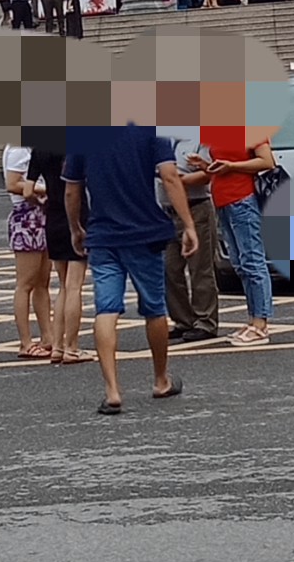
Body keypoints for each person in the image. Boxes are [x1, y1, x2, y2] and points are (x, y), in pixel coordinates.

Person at [64, 125, 197, 414]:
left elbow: (72, 189)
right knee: (154, 308)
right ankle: (161, 380)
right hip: (145, 232)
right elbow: (170, 176)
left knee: (106, 309)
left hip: (103, 235)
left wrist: (75, 228)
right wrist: (188, 225)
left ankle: (112, 390)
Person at [193, 129, 275, 345]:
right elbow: (220, 168)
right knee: (240, 264)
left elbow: (267, 161)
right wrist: (205, 166)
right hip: (224, 201)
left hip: (243, 199)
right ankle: (253, 319)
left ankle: (260, 324)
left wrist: (232, 166)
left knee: (252, 261)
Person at [27, 148, 88, 364]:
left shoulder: (39, 150)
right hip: (76, 217)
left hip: (53, 218)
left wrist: (41, 202)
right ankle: (72, 348)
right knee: (74, 286)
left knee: (63, 285)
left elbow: (27, 191)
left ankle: (58, 347)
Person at [160, 134, 219, 343]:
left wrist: (177, 181)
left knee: (200, 268)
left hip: (196, 207)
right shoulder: (161, 139)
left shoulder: (200, 138)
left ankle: (205, 322)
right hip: (165, 211)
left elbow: (208, 174)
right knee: (169, 269)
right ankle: (182, 320)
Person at [4, 143, 53, 359]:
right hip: (27, 217)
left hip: (41, 213)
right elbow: (13, 183)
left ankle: (48, 336)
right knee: (25, 283)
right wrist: (46, 188)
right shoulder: (19, 148)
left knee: (42, 282)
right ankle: (25, 342)